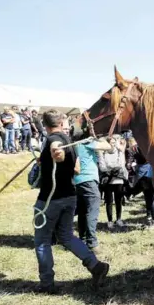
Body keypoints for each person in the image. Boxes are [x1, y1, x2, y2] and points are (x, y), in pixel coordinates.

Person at [33, 109, 109, 294]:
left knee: (42, 241)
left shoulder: (53, 140)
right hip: (70, 196)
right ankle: (95, 265)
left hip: (50, 200)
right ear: (60, 123)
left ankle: (46, 284)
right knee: (66, 236)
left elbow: (55, 148)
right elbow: (76, 169)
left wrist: (56, 154)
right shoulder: (71, 142)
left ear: (46, 125)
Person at [73, 135, 113, 252]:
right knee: (92, 211)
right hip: (89, 180)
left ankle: (82, 239)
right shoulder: (87, 142)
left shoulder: (75, 144)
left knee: (82, 211)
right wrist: (99, 138)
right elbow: (107, 146)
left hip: (78, 181)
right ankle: (92, 243)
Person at [127, 137, 154, 227]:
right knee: (148, 196)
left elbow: (144, 159)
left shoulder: (137, 148)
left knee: (150, 197)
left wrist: (133, 164)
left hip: (146, 175)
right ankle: (150, 217)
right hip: (148, 173)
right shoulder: (140, 148)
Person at [98, 136, 128, 229]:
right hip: (108, 180)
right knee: (109, 201)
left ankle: (119, 219)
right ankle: (110, 220)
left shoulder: (119, 152)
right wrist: (111, 168)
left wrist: (112, 168)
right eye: (111, 143)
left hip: (118, 179)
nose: (113, 144)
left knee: (118, 200)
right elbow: (102, 166)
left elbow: (121, 164)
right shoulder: (103, 153)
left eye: (114, 143)